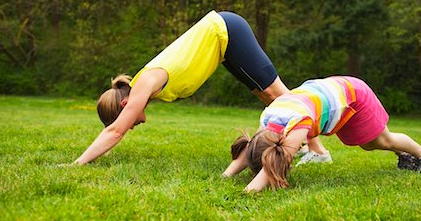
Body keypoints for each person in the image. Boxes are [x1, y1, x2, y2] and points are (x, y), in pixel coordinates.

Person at [71, 10, 327, 165]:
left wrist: (79, 162)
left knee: (279, 96)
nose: (138, 123)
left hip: (226, 32)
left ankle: (318, 151)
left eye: (132, 121)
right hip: (223, 45)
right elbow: (117, 128)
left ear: (125, 105)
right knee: (268, 96)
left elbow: (115, 131)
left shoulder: (143, 84)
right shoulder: (144, 84)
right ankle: (314, 149)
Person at [227, 76, 421, 192]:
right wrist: (225, 176)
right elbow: (250, 148)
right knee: (368, 143)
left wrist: (249, 192)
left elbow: (280, 161)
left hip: (354, 95)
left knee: (380, 141)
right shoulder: (266, 122)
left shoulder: (299, 123)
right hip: (329, 92)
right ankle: (405, 155)